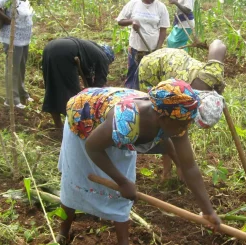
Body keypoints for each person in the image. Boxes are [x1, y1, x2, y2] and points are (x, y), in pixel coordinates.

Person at [56, 79, 221, 245]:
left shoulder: (177, 118)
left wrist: (208, 211)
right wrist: (121, 182)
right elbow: (92, 147)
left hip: (112, 127)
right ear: (163, 119)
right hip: (84, 120)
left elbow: (190, 167)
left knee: (124, 192)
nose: (185, 129)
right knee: (75, 180)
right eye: (183, 125)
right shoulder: (127, 120)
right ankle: (64, 232)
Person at [135, 39, 226, 179]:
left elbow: (218, 44)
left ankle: (178, 167)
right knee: (164, 122)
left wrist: (219, 83)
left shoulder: (213, 74)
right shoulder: (178, 98)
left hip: (176, 59)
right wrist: (182, 164)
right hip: (151, 67)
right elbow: (169, 127)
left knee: (177, 127)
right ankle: (168, 169)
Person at [41, 37, 115, 128]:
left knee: (52, 87)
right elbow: (98, 86)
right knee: (72, 94)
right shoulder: (103, 58)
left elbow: (89, 78)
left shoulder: (92, 50)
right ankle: (73, 126)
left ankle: (59, 125)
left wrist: (88, 91)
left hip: (49, 48)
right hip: (65, 52)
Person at [0, 0, 34, 109]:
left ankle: (22, 93)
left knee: (21, 67)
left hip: (25, 39)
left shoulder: (26, 1)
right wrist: (7, 19)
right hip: (12, 38)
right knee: (12, 69)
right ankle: (11, 99)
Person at [116, 0, 170, 89]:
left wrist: (157, 49)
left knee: (148, 76)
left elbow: (163, 30)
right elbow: (120, 21)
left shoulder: (161, 7)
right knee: (133, 74)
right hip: (135, 48)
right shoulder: (133, 3)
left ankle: (144, 96)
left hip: (152, 50)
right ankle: (130, 96)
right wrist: (132, 21)